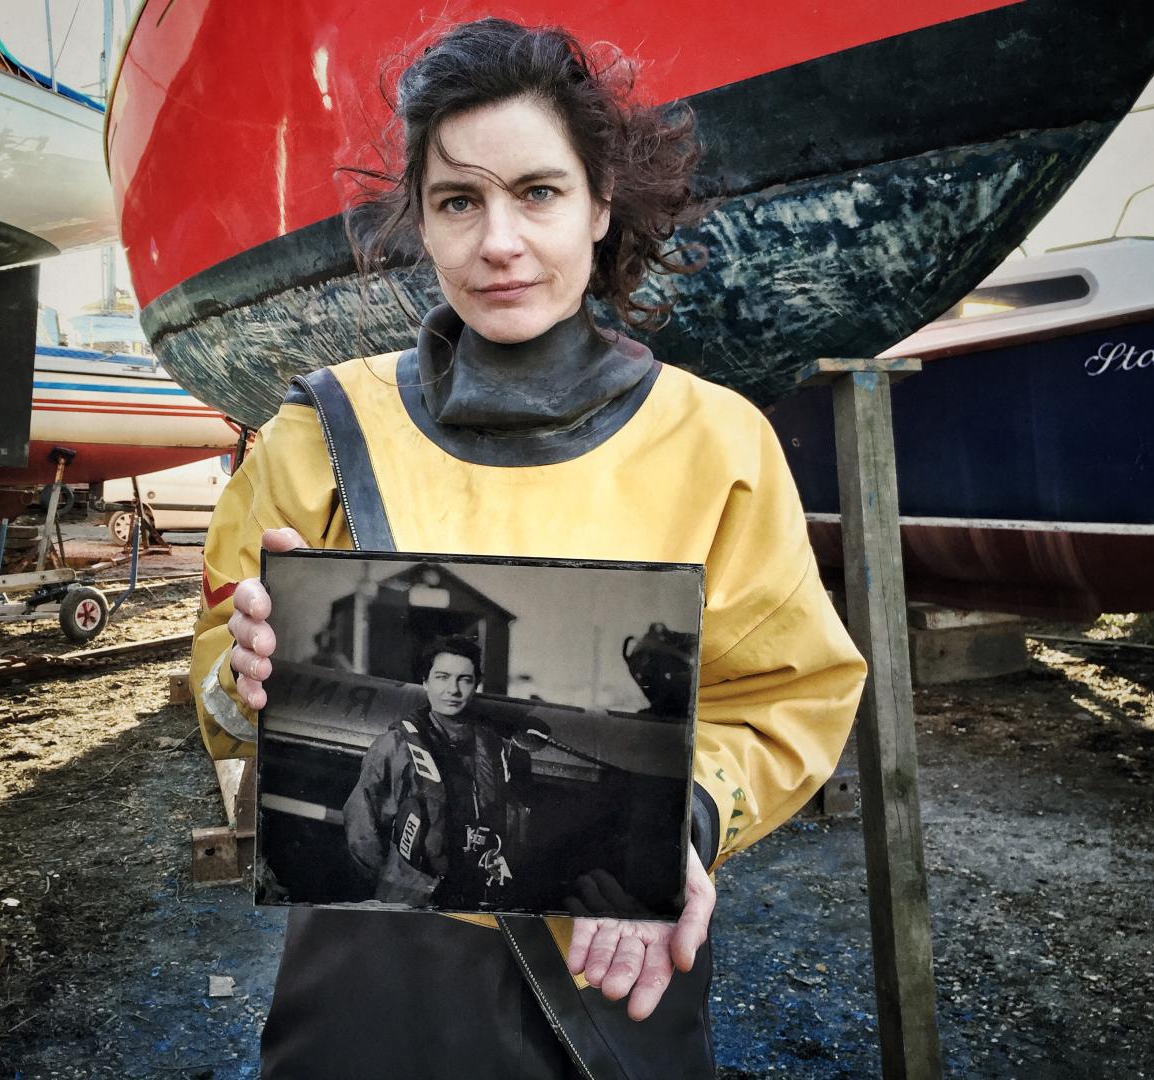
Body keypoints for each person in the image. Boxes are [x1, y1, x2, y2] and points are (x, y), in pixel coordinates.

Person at [189, 17, 868, 1079]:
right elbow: (220, 702)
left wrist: (683, 820)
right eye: (459, 201)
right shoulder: (317, 436)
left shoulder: (718, 444)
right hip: (373, 970)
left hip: (615, 960)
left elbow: (791, 694)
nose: (498, 240)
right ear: (421, 220)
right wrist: (245, 682)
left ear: (600, 205)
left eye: (539, 193)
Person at [342, 634, 534, 909]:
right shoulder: (395, 746)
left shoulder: (499, 751)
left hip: (478, 894)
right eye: (442, 677)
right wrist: (393, 883)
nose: (453, 690)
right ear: (425, 681)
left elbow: (515, 826)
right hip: (409, 897)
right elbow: (362, 827)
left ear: (476, 684)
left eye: (464, 679)